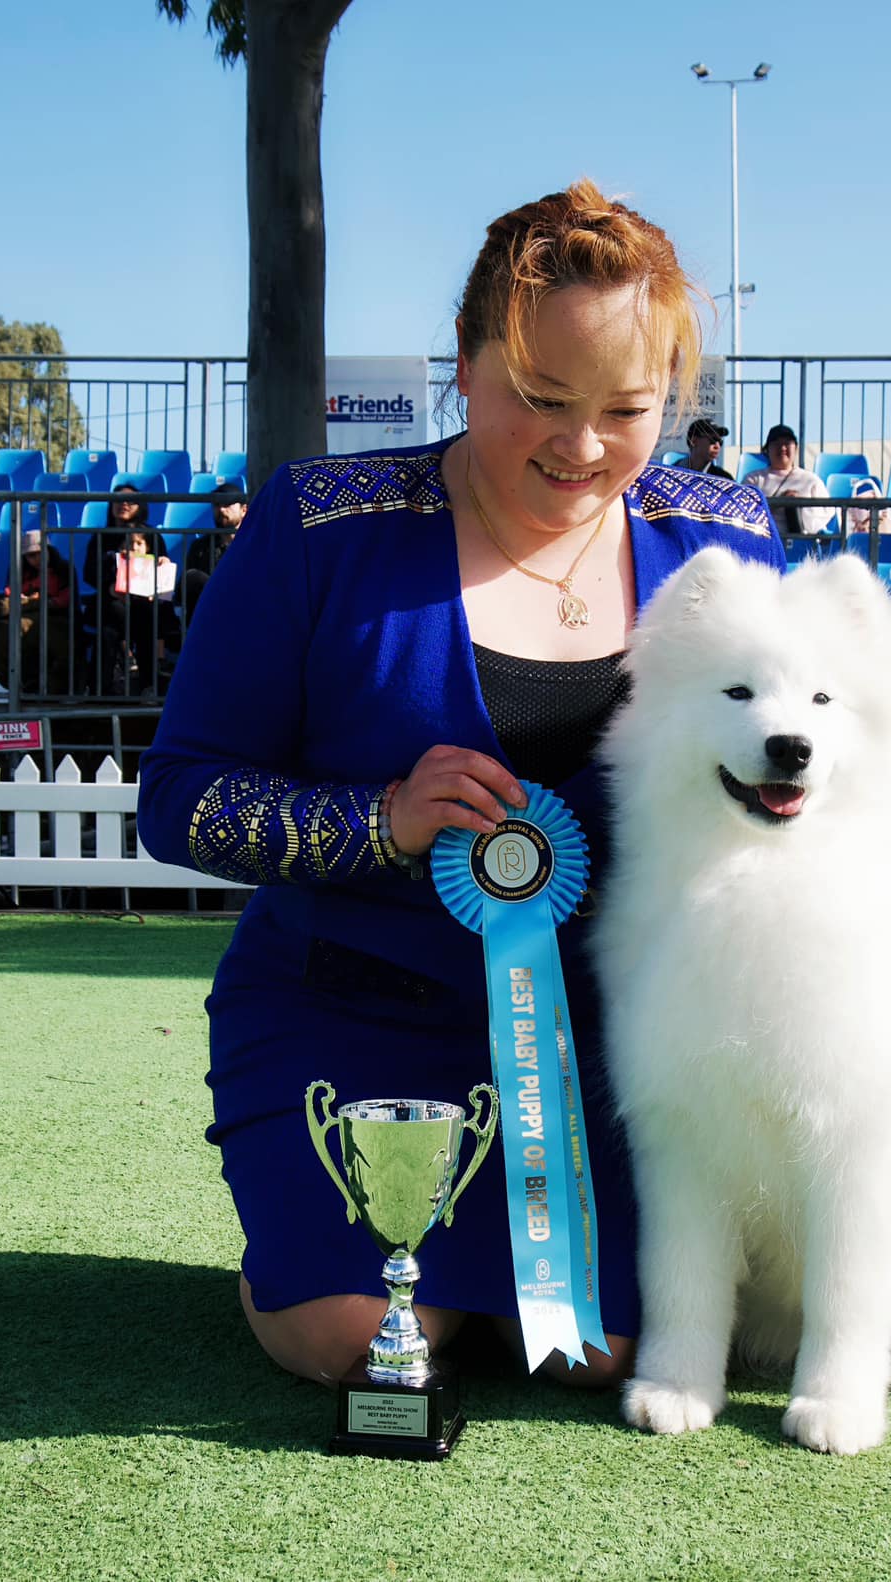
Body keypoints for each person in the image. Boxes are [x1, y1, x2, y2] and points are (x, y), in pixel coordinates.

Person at [137, 179, 786, 1391]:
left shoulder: (730, 539)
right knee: (359, 1341)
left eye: (626, 410)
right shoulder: (315, 525)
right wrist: (375, 820)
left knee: (606, 1351)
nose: (580, 448)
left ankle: (476, 1287)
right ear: (464, 363)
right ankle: (316, 1263)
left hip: (623, 1045)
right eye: (539, 398)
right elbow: (179, 797)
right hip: (350, 1014)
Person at [85, 483, 181, 693]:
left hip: (145, 604)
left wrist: (162, 565)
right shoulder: (101, 536)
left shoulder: (151, 535)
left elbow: (162, 574)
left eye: (130, 501)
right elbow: (89, 573)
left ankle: (147, 684)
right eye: (119, 500)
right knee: (111, 624)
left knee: (145, 618)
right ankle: (102, 689)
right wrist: (110, 588)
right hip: (111, 603)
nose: (124, 504)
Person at [0, 529, 79, 694]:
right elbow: (11, 593)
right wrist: (30, 599)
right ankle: (20, 684)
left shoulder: (64, 569)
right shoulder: (19, 570)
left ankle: (50, 688)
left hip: (57, 616)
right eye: (31, 556)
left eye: (40, 553)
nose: (36, 559)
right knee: (0, 631)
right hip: (25, 615)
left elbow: (65, 600)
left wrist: (37, 600)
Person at [179, 480, 245, 629]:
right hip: (209, 617)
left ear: (244, 510)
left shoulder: (253, 544)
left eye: (227, 504)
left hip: (242, 613)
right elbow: (185, 586)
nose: (221, 509)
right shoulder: (200, 547)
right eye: (216, 505)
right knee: (193, 577)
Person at [748, 422, 827, 536]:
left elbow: (825, 514)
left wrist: (800, 506)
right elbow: (746, 513)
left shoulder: (812, 480)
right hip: (764, 538)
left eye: (787, 443)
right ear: (767, 449)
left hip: (803, 540)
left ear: (796, 448)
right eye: (776, 443)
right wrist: (778, 502)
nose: (782, 448)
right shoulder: (753, 479)